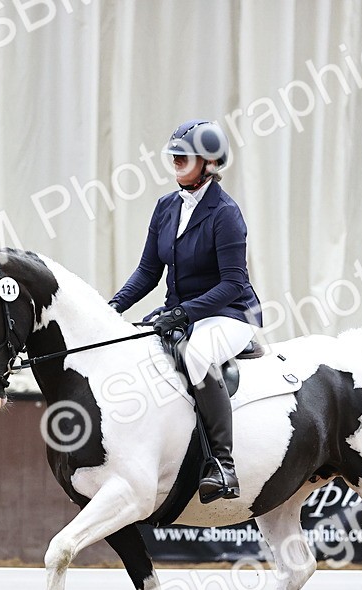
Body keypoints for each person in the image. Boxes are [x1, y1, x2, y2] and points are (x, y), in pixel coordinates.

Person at [109, 119, 262, 503]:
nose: (176, 160)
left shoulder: (226, 213)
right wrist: (111, 307)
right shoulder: (165, 207)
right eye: (173, 154)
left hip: (231, 314)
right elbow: (147, 272)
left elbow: (234, 283)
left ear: (209, 163)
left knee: (196, 355)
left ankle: (223, 464)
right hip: (184, 313)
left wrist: (184, 313)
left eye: (184, 155)